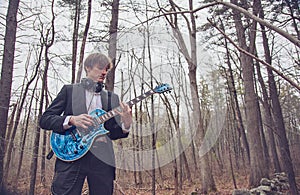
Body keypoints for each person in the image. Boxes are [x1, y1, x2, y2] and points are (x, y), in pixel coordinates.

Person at [39, 53, 132, 195]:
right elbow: (45, 119)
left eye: (106, 69)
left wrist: (126, 123)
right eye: (100, 68)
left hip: (102, 158)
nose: (104, 72)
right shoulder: (69, 91)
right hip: (71, 154)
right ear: (88, 68)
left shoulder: (112, 97)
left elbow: (114, 133)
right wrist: (71, 119)